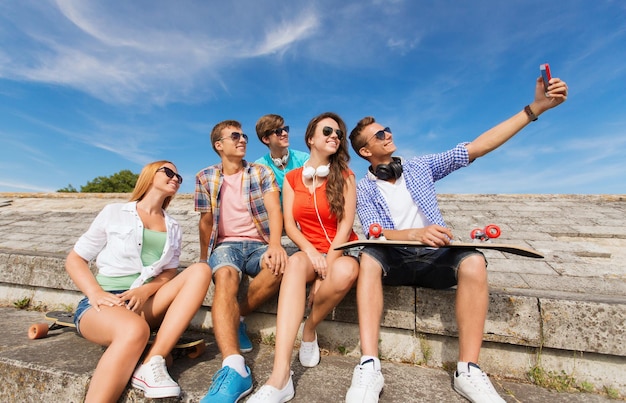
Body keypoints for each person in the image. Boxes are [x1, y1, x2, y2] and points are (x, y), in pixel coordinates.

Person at [346, 76, 568, 403]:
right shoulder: (363, 187)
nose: (388, 134)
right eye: (379, 134)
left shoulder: (420, 167)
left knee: (475, 260)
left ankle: (468, 370)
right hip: (393, 259)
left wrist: (534, 109)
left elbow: (476, 147)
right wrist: (413, 234)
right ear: (366, 151)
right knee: (367, 255)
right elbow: (374, 230)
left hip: (436, 256)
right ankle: (368, 365)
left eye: (387, 128)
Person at [65, 161, 212, 402]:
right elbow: (75, 259)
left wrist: (145, 291)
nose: (175, 178)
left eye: (179, 176)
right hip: (103, 305)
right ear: (149, 175)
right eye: (168, 172)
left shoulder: (174, 226)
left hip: (143, 302)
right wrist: (95, 293)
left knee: (200, 270)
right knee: (135, 330)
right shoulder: (114, 212)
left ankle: (153, 360)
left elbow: (169, 273)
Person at [248, 112, 360, 403]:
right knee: (295, 262)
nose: (334, 136)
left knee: (345, 273)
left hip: (339, 249)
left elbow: (346, 225)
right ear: (311, 138)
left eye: (338, 133)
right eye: (327, 131)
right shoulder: (292, 177)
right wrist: (310, 252)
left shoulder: (346, 176)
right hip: (309, 250)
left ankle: (309, 330)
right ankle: (280, 376)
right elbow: (289, 226)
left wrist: (327, 269)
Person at [195, 120, 288, 403]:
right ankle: (234, 366)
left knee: (279, 267)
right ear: (218, 145)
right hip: (226, 245)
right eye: (235, 136)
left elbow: (274, 209)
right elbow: (206, 220)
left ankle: (237, 317)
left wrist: (275, 245)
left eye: (244, 135)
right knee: (224, 276)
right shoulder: (204, 176)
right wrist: (202, 259)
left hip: (259, 243)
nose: (243, 139)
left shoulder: (261, 171)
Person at [254, 113, 309, 195]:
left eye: (286, 129)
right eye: (278, 131)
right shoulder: (259, 167)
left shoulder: (304, 159)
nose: (285, 133)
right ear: (266, 139)